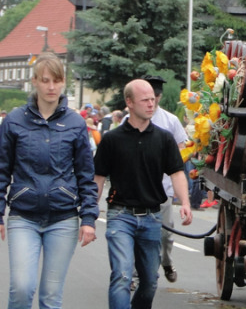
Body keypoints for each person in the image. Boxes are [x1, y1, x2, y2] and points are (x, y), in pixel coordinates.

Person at [0, 52, 98, 309]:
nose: (51, 87)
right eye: (45, 80)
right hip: (24, 216)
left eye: (56, 80)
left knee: (51, 296)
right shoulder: (14, 121)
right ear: (34, 82)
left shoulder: (75, 123)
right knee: (21, 288)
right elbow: (1, 171)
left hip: (63, 218)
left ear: (63, 81)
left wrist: (88, 219)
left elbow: (86, 175)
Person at [94, 79, 192, 309]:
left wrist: (185, 202)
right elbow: (97, 179)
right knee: (122, 276)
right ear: (129, 102)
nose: (151, 104)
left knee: (149, 282)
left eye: (152, 99)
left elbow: (177, 173)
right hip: (120, 215)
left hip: (151, 217)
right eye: (145, 100)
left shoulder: (164, 138)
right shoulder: (112, 140)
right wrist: (89, 216)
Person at [141, 75, 189, 283]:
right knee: (137, 231)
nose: (152, 101)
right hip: (137, 188)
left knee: (165, 232)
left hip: (163, 187)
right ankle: (138, 271)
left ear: (158, 97)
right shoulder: (129, 120)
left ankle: (167, 261)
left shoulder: (170, 120)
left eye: (155, 96)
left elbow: (182, 147)